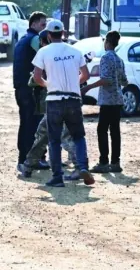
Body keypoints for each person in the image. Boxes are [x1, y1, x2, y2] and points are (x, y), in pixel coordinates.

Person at [31, 19, 94, 187]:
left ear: (49, 35)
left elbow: (37, 77)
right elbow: (86, 75)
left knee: (54, 141)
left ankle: (57, 177)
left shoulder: (43, 52)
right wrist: (74, 83)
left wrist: (48, 84)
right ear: (64, 34)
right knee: (78, 137)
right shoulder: (75, 51)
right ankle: (82, 167)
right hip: (73, 100)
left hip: (54, 100)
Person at [18, 30, 77, 177]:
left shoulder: (44, 55)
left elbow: (33, 80)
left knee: (44, 136)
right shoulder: (68, 52)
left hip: (51, 102)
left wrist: (46, 84)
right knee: (63, 135)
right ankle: (79, 165)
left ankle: (28, 165)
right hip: (69, 100)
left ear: (46, 39)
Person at [82, 30, 127, 173]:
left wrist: (89, 87)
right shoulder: (119, 60)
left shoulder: (106, 58)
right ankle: (115, 162)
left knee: (102, 130)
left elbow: (106, 79)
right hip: (118, 99)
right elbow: (124, 81)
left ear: (107, 42)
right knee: (115, 131)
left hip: (108, 100)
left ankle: (103, 161)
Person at [13, 11, 48, 169]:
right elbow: (44, 58)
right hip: (30, 90)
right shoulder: (35, 39)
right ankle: (29, 159)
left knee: (26, 123)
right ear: (33, 24)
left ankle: (25, 159)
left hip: (21, 88)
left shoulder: (22, 40)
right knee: (33, 125)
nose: (45, 28)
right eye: (42, 24)